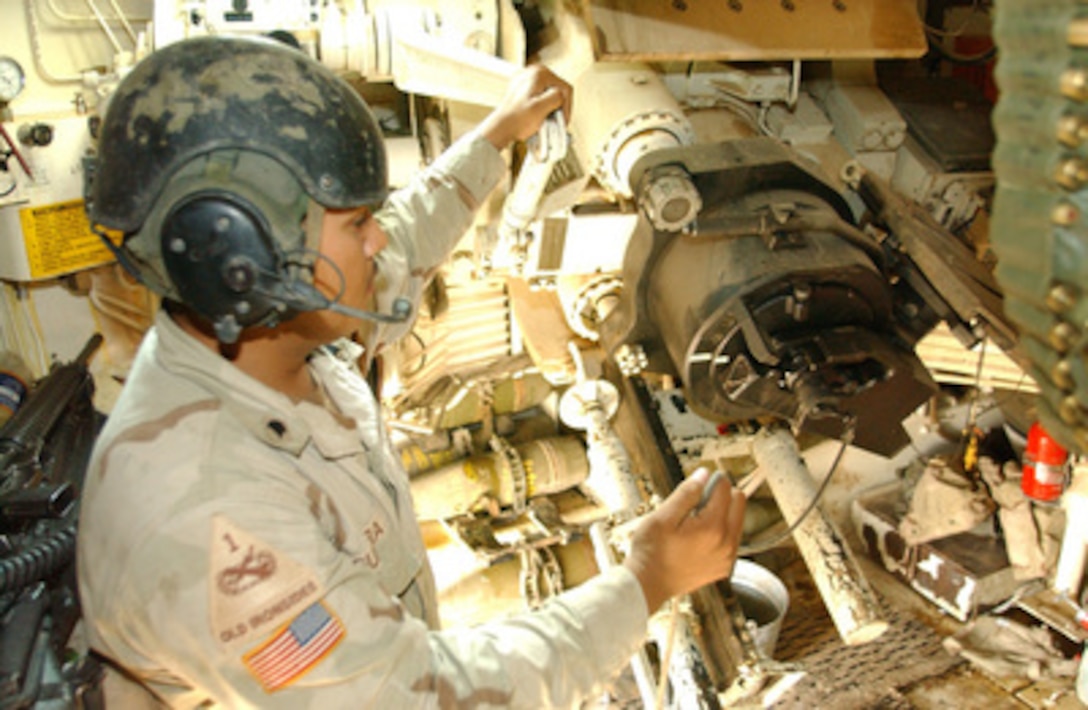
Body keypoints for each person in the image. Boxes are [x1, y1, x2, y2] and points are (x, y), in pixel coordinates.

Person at [77, 34, 747, 708]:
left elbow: (404, 239)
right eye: (358, 222)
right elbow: (413, 697)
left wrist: (497, 136)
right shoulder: (205, 519)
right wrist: (647, 581)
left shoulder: (285, 326)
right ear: (242, 258)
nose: (375, 240)